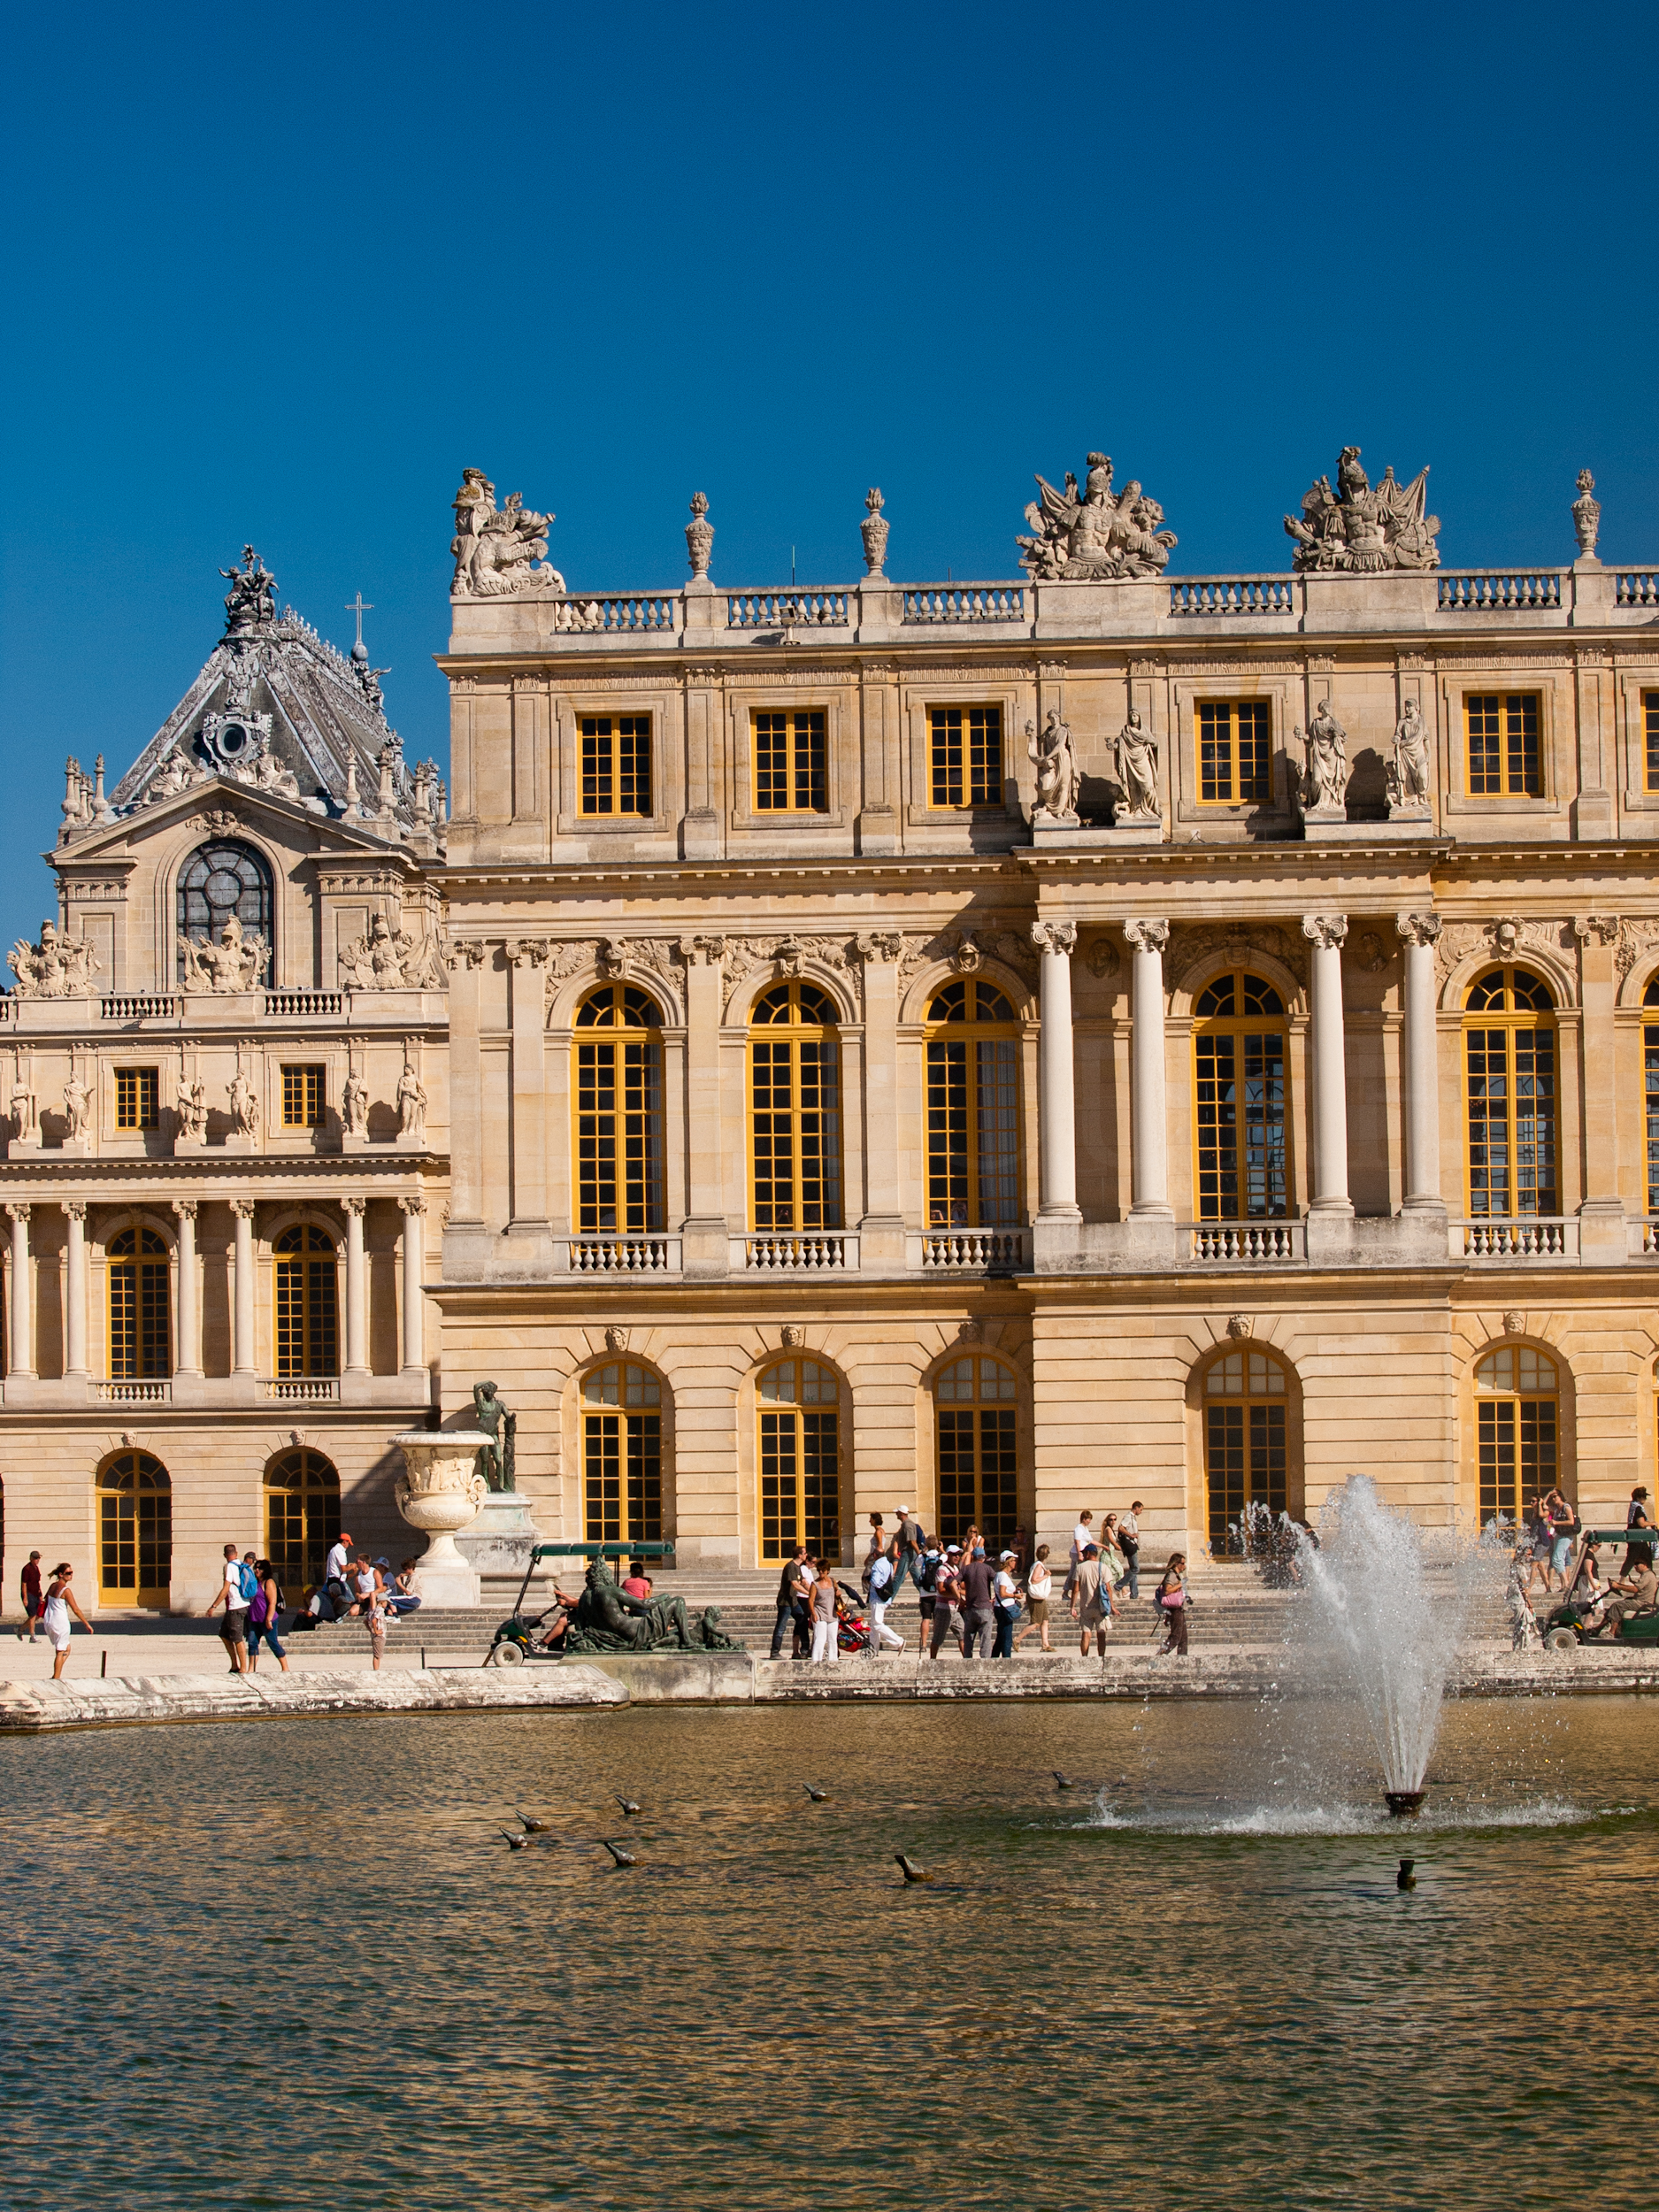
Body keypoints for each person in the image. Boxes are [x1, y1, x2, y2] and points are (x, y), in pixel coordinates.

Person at [39, 1562, 93, 1679]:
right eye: (68, 1573)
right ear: (61, 1574)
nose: (71, 1575)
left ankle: (55, 1675)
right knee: (60, 1651)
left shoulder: (53, 1586)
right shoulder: (65, 1590)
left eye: (71, 1573)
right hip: (60, 1622)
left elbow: (45, 1599)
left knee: (67, 1649)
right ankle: (56, 1679)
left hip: (49, 1621)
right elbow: (76, 1609)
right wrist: (86, 1624)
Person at [204, 1541, 250, 1673]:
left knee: (237, 1638)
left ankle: (243, 1668)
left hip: (236, 1606)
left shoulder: (230, 1566)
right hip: (238, 1606)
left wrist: (213, 1606)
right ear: (236, 1553)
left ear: (225, 1555)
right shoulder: (242, 1564)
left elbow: (226, 1588)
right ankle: (235, 1665)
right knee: (224, 1634)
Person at [1600, 1548, 1659, 1639]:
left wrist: (1618, 1586)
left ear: (1644, 1565)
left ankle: (1611, 1633)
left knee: (1617, 1606)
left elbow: (1635, 1589)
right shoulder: (1647, 1575)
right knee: (1615, 1606)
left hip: (1643, 1603)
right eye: (1634, 1564)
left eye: (1637, 1564)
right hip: (1641, 1602)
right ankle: (1598, 1629)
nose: (1635, 1566)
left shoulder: (1647, 1575)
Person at [246, 1559, 289, 1673]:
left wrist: (269, 1619)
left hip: (267, 1619)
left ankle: (285, 1667)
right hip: (255, 1619)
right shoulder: (255, 1583)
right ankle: (251, 1669)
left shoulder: (269, 1582)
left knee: (272, 1642)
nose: (257, 1570)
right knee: (252, 1642)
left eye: (260, 1568)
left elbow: (272, 1602)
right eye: (256, 1568)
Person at [770, 1545, 810, 1659]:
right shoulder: (791, 1566)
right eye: (805, 1553)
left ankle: (804, 1650)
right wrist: (809, 1594)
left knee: (802, 1620)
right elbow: (795, 1584)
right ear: (799, 1555)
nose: (806, 1555)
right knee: (781, 1626)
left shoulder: (798, 1567)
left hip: (794, 1601)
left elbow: (803, 1582)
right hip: (785, 1602)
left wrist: (814, 1590)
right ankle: (774, 1652)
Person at [865, 1547, 905, 1656]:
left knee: (877, 1624)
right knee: (874, 1626)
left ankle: (899, 1642)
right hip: (885, 1597)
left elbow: (876, 1582)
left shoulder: (877, 1565)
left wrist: (869, 1580)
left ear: (874, 1555)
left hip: (877, 1598)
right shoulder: (889, 1564)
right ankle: (873, 1649)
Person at [1071, 1543, 1110, 1656]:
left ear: (1088, 1554)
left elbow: (1075, 1589)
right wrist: (1112, 1606)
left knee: (1086, 1634)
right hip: (1101, 1606)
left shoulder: (1080, 1568)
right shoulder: (1103, 1567)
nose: (1083, 1556)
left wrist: (1072, 1606)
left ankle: (1084, 1658)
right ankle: (1101, 1658)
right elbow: (1108, 1589)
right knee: (1101, 1634)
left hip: (1086, 1606)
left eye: (1084, 1553)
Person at [1014, 1544, 1054, 1653]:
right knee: (1036, 1622)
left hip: (1039, 1596)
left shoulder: (1036, 1564)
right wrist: (1046, 1575)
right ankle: (1017, 1639)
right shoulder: (1039, 1566)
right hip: (1037, 1597)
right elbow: (1034, 1580)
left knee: (1045, 1620)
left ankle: (1045, 1644)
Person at [960, 1544, 996, 1658]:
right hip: (985, 1607)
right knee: (985, 1639)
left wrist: (960, 1598)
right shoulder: (987, 1568)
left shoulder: (966, 1569)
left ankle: (967, 1661)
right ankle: (985, 1663)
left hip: (971, 1608)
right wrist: (995, 1598)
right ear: (983, 1557)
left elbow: (953, 1582)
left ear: (972, 1557)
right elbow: (999, 1581)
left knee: (968, 1639)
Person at [928, 1546, 964, 1659]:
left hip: (955, 1608)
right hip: (944, 1609)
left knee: (963, 1635)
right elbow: (941, 1590)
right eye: (954, 1554)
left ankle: (967, 1660)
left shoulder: (957, 1570)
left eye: (958, 1554)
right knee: (938, 1638)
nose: (957, 1557)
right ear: (948, 1555)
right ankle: (932, 1661)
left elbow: (961, 1586)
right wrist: (956, 1594)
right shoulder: (942, 1570)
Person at [1155, 1555, 1190, 1657]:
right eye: (1182, 1563)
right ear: (1176, 1564)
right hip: (1174, 1609)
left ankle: (1183, 1659)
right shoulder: (1172, 1575)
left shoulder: (1177, 1575)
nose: (1184, 1566)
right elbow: (1167, 1590)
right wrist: (1180, 1585)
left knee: (1183, 1638)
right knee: (1176, 1636)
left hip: (1179, 1608)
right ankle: (1160, 1654)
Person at [992, 1550, 1022, 1658]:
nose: (1015, 1562)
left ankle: (994, 1658)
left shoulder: (999, 1575)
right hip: (1005, 1608)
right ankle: (1006, 1659)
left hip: (1000, 1607)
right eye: (1013, 1560)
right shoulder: (1003, 1576)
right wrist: (1015, 1596)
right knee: (1007, 1637)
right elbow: (1003, 1593)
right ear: (1008, 1562)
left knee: (1001, 1636)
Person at [809, 1557, 839, 1664]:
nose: (821, 1573)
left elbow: (836, 1593)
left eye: (823, 1570)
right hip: (820, 1613)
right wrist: (813, 1614)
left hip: (832, 1613)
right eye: (819, 1570)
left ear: (828, 1571)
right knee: (820, 1638)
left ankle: (833, 1660)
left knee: (832, 1639)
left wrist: (838, 1592)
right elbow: (811, 1600)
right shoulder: (815, 1584)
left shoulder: (832, 1581)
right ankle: (816, 1661)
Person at [1117, 1503, 1143, 1600]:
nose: (1141, 1511)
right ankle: (1119, 1585)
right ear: (1136, 1508)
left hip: (1132, 1545)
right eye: (1141, 1509)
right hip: (1130, 1545)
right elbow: (1121, 1528)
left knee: (1133, 1569)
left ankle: (1134, 1594)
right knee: (1136, 1569)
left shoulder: (1133, 1517)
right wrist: (1131, 1535)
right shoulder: (1128, 1517)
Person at [17, 1549, 43, 1643]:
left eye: (38, 1558)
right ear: (31, 1558)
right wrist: (25, 1598)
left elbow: (37, 1582)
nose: (37, 1560)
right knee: (32, 1615)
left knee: (38, 1614)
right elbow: (24, 1583)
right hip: (29, 1594)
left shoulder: (36, 1568)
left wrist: (40, 1594)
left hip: (36, 1593)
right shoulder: (26, 1569)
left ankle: (21, 1629)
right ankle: (32, 1636)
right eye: (36, 1558)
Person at [365, 1582, 391, 1671]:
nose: (386, 1604)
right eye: (386, 1602)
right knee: (377, 1655)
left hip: (374, 1636)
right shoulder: (380, 1610)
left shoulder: (373, 1610)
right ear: (382, 1602)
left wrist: (371, 1630)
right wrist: (376, 1631)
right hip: (379, 1636)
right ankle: (376, 1670)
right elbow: (373, 1620)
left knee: (377, 1653)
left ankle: (376, 1669)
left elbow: (366, 1621)